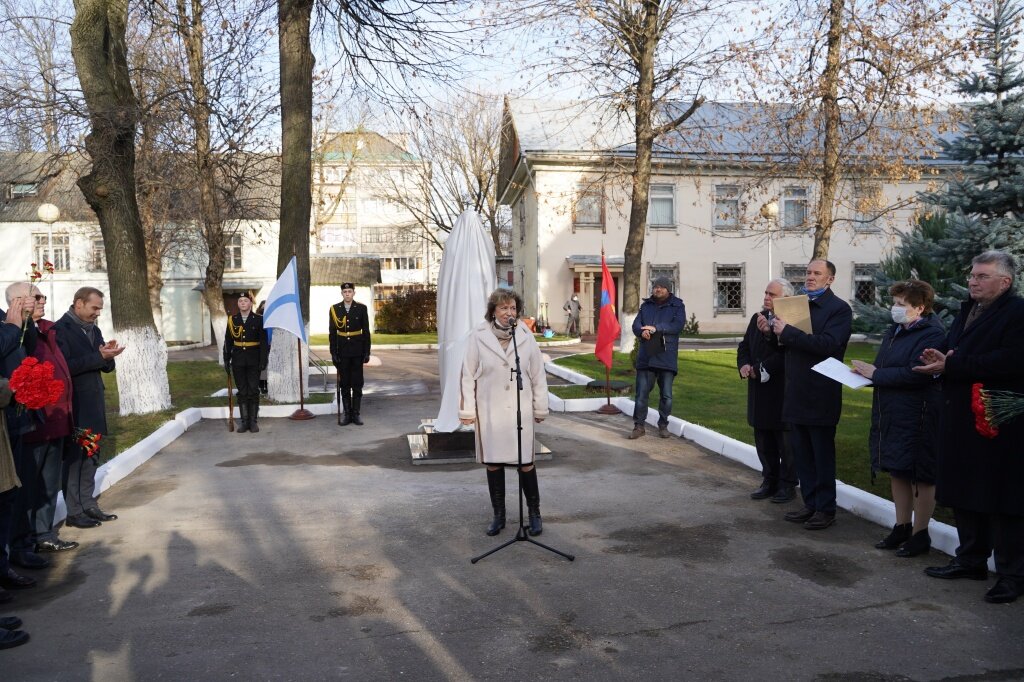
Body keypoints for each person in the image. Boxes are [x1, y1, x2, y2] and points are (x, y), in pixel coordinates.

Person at [915, 251, 1024, 603]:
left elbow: (1011, 360)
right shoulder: (968, 309)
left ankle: (1012, 575)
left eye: (981, 276)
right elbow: (954, 349)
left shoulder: (1017, 312)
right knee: (966, 489)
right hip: (961, 415)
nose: (973, 281)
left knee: (1002, 497)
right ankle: (971, 559)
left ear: (1004, 282)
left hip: (997, 420)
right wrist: (938, 357)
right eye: (972, 275)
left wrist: (954, 364)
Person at [851, 280, 945, 557]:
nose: (895, 308)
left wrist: (876, 375)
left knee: (920, 474)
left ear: (920, 307)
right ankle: (901, 525)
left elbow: (917, 372)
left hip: (919, 413)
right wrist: (867, 372)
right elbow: (887, 367)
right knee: (897, 468)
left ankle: (920, 533)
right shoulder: (896, 330)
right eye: (894, 303)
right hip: (891, 409)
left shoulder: (933, 334)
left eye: (901, 304)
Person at [766, 259, 852, 530]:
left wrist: (788, 332)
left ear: (830, 279)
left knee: (821, 454)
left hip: (821, 392)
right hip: (795, 390)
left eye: (817, 273)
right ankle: (810, 504)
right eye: (808, 272)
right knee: (801, 452)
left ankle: (826, 509)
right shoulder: (797, 305)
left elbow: (828, 345)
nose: (810, 277)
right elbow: (787, 347)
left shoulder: (838, 309)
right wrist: (771, 335)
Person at [460, 289, 549, 536]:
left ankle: (534, 513)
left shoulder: (524, 335)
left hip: (519, 407)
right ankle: (498, 516)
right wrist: (467, 409)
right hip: (490, 406)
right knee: (493, 463)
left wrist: (540, 406)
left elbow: (537, 372)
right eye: (504, 308)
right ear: (493, 311)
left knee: (526, 462)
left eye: (513, 308)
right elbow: (467, 374)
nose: (509, 312)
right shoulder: (478, 335)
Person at [11, 283, 77, 571]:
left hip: (57, 420)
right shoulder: (19, 334)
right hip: (32, 424)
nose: (42, 300)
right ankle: (23, 543)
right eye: (35, 297)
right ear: (17, 302)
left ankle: (45, 534)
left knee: (49, 485)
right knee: (29, 488)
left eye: (42, 296)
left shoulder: (48, 330)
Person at [54, 287, 124, 529]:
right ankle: (74, 511)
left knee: (91, 456)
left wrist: (109, 354)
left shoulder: (93, 329)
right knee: (75, 459)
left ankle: (89, 504)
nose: (98, 314)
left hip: (94, 403)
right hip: (75, 405)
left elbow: (104, 366)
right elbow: (65, 367)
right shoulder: (59, 330)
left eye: (100, 309)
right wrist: (99, 357)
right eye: (95, 308)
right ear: (79, 304)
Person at [737, 278, 797, 503]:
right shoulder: (757, 318)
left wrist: (760, 368)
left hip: (781, 389)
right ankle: (769, 480)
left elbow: (786, 354)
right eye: (766, 293)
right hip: (758, 389)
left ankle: (788, 485)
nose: (766, 297)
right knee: (763, 440)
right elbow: (744, 346)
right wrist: (743, 365)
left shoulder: (791, 322)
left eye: (772, 294)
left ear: (786, 299)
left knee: (785, 443)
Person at [0, 294, 39, 598]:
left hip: (13, 416)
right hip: (7, 414)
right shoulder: (7, 321)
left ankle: (7, 564)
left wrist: (24, 323)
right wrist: (13, 327)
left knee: (12, 494)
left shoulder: (7, 316)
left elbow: (28, 349)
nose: (38, 300)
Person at [630, 277, 686, 439]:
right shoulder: (646, 306)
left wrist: (656, 328)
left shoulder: (677, 306)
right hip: (646, 357)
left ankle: (663, 425)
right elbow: (636, 325)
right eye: (655, 287)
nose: (658, 289)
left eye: (661, 287)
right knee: (641, 394)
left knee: (666, 395)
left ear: (668, 289)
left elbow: (677, 325)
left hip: (666, 356)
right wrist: (642, 332)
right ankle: (639, 426)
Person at [223, 292, 268, 433]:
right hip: (238, 360)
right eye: (240, 301)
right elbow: (228, 341)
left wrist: (263, 360)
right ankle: (244, 422)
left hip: (254, 359)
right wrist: (226, 358)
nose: (243, 303)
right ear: (238, 304)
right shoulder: (232, 320)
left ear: (250, 303)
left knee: (253, 390)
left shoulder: (259, 319)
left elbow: (263, 342)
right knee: (242, 391)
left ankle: (253, 422)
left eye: (245, 301)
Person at [329, 283, 371, 426]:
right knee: (345, 383)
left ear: (354, 293)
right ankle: (347, 414)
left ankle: (356, 414)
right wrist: (333, 352)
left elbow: (366, 331)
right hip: (343, 351)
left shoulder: (361, 308)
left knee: (357, 383)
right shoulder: (335, 309)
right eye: (345, 291)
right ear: (342, 293)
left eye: (349, 291)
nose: (347, 294)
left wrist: (367, 352)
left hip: (357, 351)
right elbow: (332, 333)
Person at [255, 300, 269, 396]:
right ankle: (261, 385)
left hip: (270, 344)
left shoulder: (271, 317)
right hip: (260, 344)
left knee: (267, 367)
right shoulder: (258, 318)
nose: (264, 309)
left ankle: (266, 386)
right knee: (261, 366)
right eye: (263, 307)